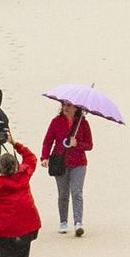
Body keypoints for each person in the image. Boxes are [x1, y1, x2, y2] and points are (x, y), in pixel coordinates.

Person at [41, 99, 95, 236]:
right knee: (63, 194)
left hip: (79, 163)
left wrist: (77, 144)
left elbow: (89, 145)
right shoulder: (56, 122)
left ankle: (78, 223)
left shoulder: (82, 123)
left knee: (77, 192)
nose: (65, 107)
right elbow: (48, 141)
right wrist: (44, 157)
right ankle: (63, 222)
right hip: (60, 161)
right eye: (64, 105)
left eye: (68, 105)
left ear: (76, 108)